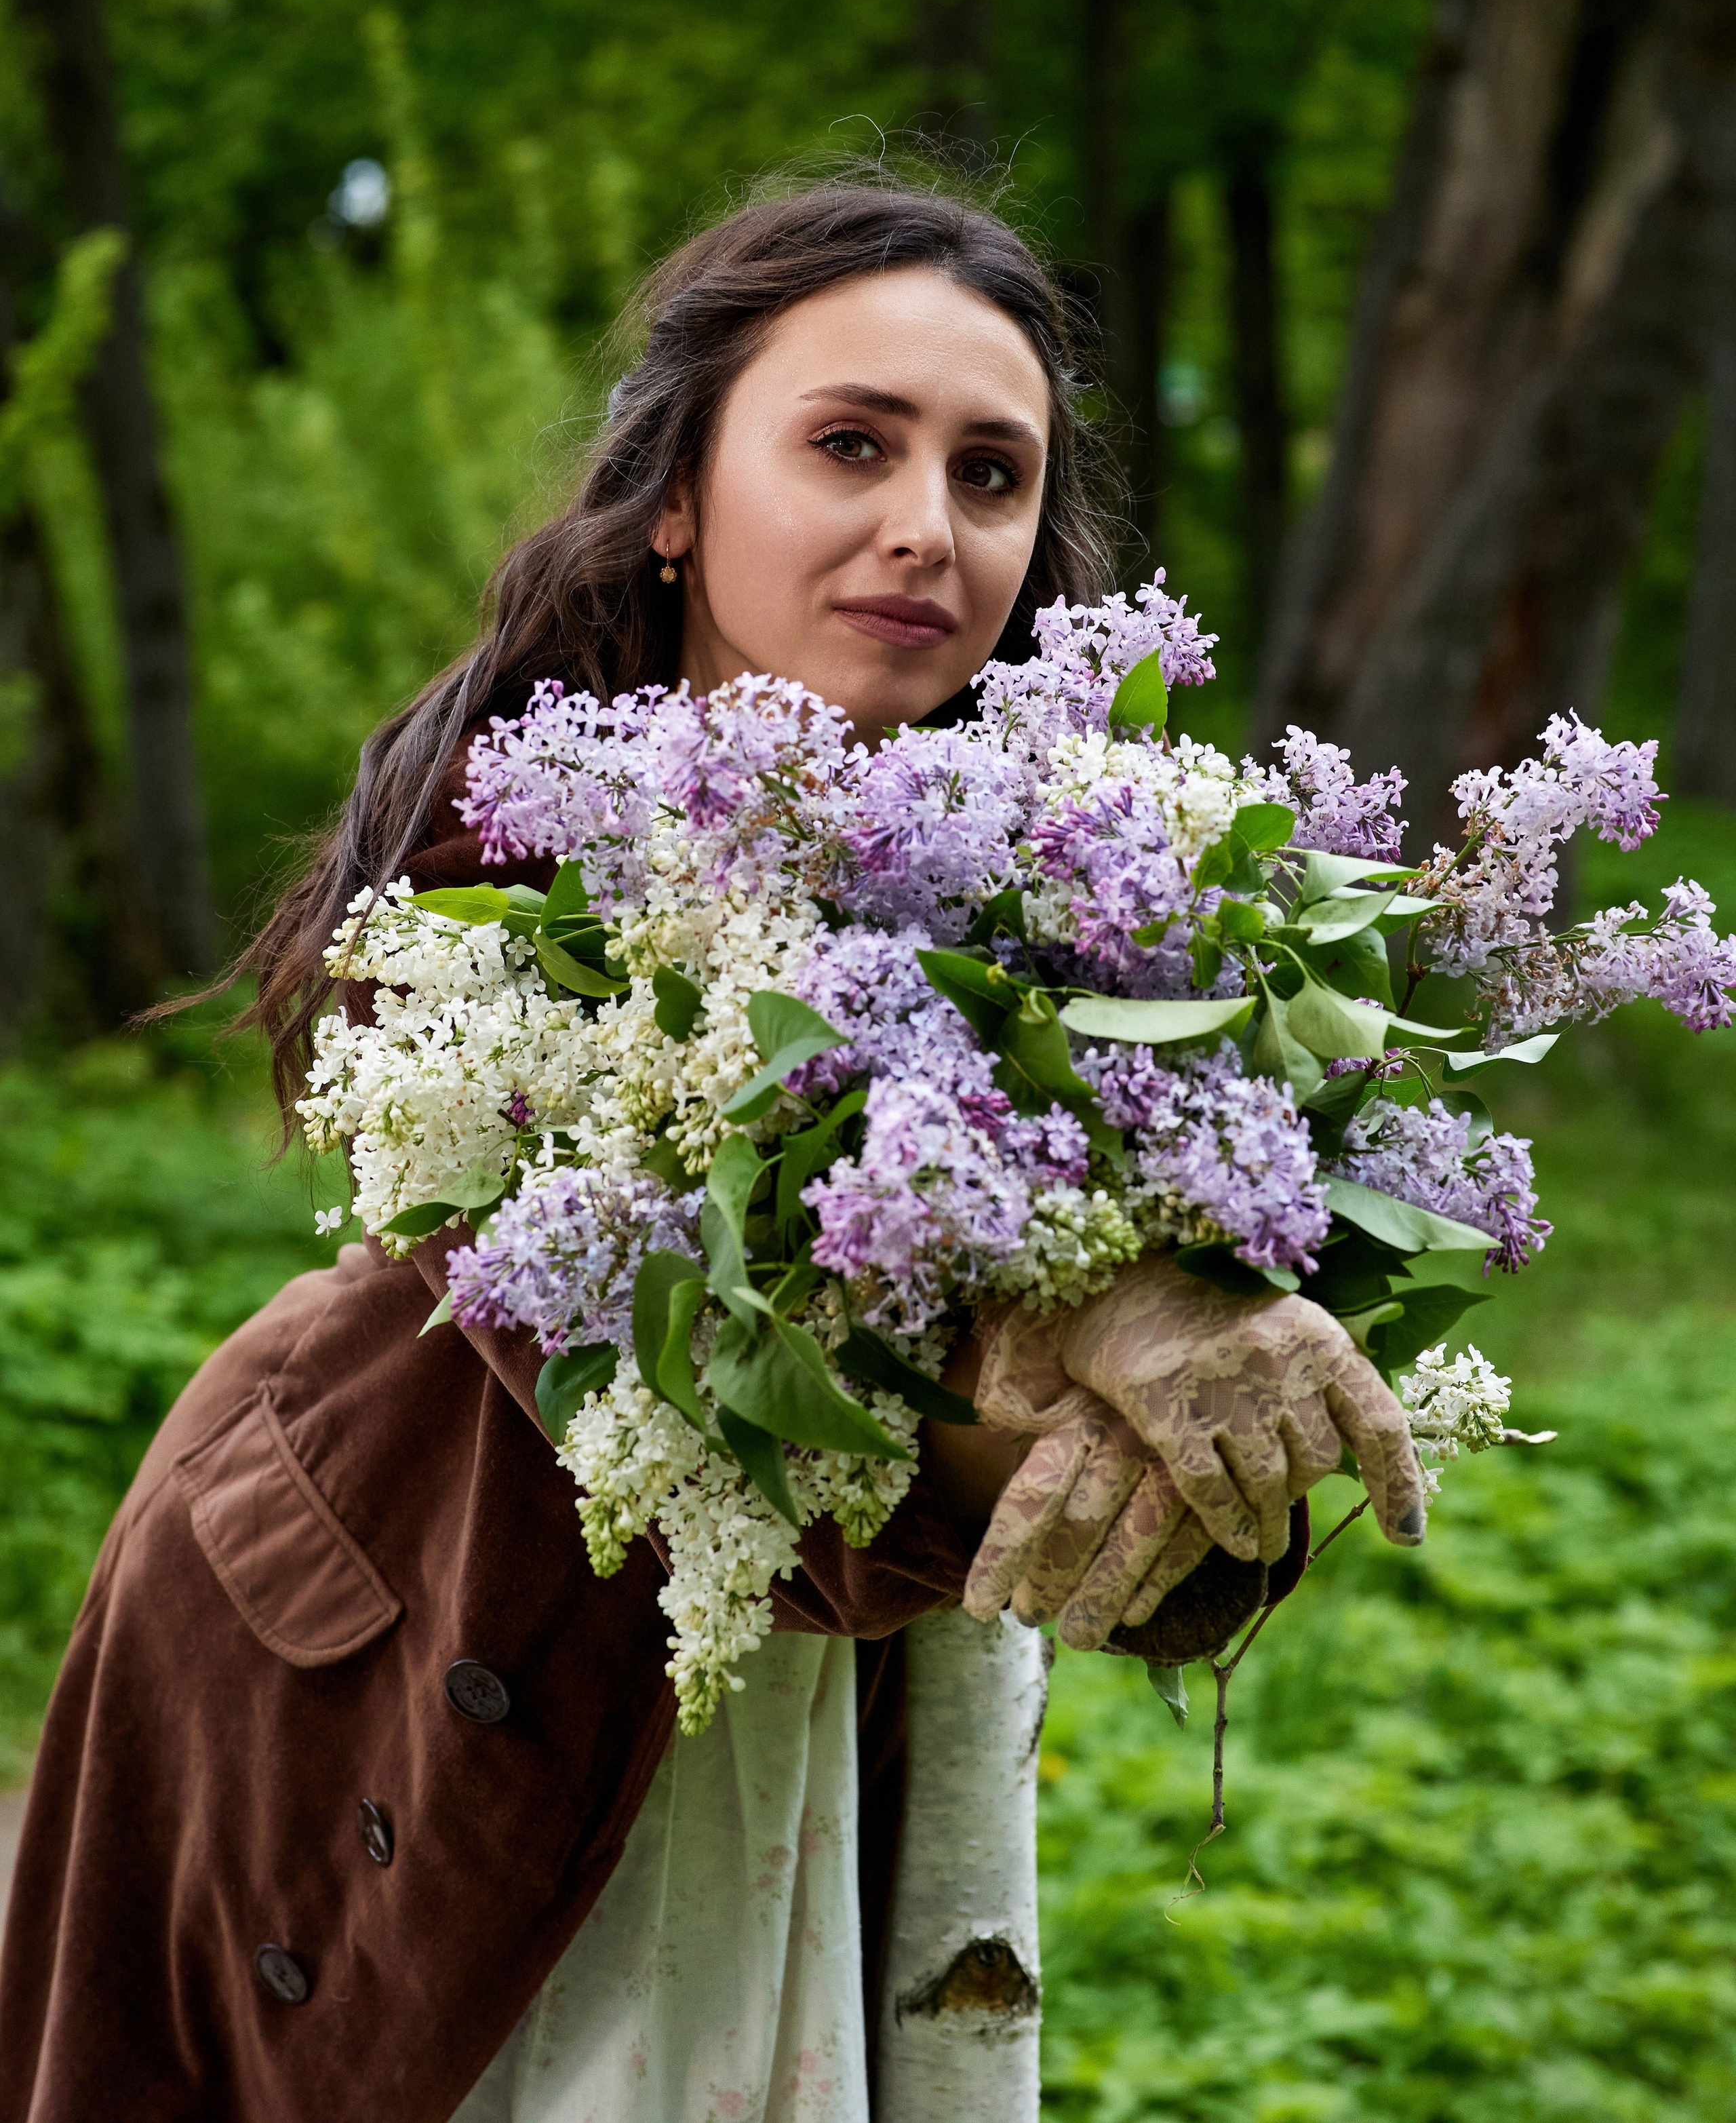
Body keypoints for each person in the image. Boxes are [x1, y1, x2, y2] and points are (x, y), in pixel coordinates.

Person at [0, 173, 1425, 2123]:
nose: (927, 526)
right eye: (851, 444)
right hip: (382, 1679)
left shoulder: (1110, 892)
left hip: (815, 1763)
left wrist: (1207, 1398)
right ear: (679, 496)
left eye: (993, 475)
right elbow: (739, 1417)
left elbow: (1138, 1491)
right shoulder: (497, 869)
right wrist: (1080, 1317)